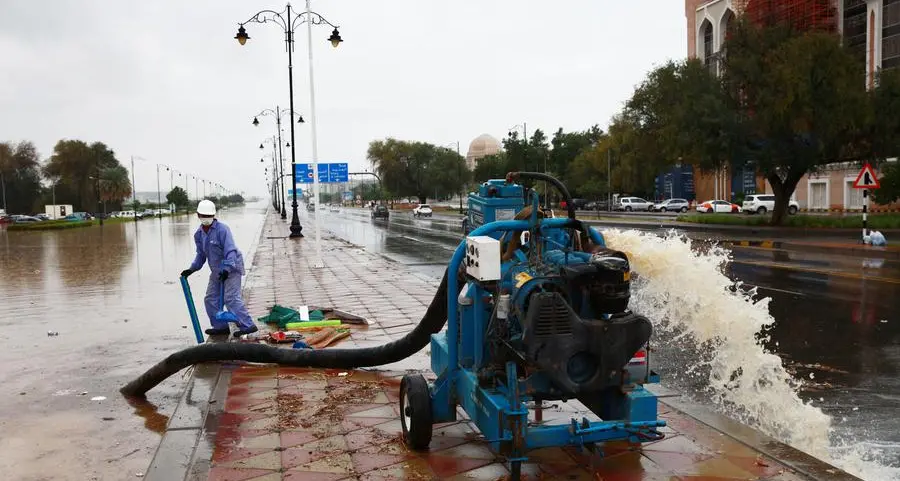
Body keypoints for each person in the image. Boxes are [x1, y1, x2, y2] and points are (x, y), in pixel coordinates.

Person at [180, 200, 258, 337]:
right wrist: (192, 269)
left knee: (231, 298)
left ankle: (247, 325)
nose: (206, 218)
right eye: (203, 215)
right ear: (198, 215)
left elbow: (231, 251)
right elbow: (201, 255)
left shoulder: (223, 229)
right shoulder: (198, 234)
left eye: (208, 215)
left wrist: (227, 269)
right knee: (210, 298)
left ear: (214, 215)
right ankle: (220, 326)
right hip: (216, 270)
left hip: (232, 268)